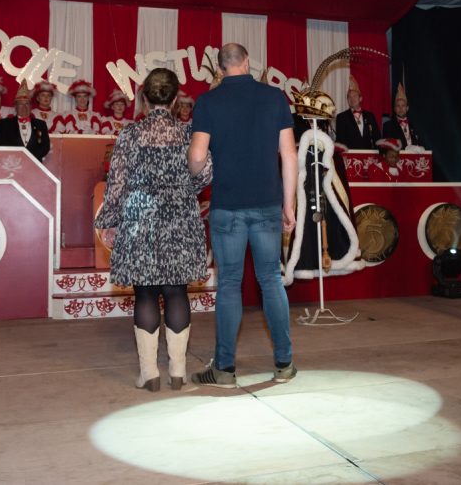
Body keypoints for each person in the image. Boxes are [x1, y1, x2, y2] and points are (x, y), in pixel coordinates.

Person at [94, 68, 212, 391]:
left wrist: (108, 222)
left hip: (140, 217)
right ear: (174, 100)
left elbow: (116, 184)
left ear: (144, 98)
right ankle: (178, 371)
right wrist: (181, 187)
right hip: (179, 217)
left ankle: (149, 373)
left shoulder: (130, 134)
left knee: (145, 292)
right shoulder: (189, 134)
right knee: (177, 291)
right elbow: (204, 175)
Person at [188, 42, 298, 387]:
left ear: (220, 68)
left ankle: (224, 369)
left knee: (229, 285)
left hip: (227, 206)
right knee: (271, 280)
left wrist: (195, 172)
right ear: (247, 62)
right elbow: (289, 155)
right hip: (267, 203)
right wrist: (289, 204)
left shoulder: (208, 102)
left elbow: (197, 157)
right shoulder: (275, 98)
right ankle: (284, 364)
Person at [283, 109, 360, 285]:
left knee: (332, 217)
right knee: (304, 226)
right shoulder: (295, 120)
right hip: (305, 177)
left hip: (323, 176)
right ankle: (304, 262)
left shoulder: (323, 120)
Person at [0, 80, 51, 162]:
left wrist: (30, 158)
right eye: (21, 104)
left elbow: (45, 147)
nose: (24, 107)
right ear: (15, 107)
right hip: (13, 164)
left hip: (35, 164)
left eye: (27, 104)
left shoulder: (41, 124)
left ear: (31, 106)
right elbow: (2, 144)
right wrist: (18, 159)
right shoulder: (5, 124)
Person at [334, 75, 380, 150]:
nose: (352, 99)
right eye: (349, 97)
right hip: (350, 154)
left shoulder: (370, 116)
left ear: (360, 98)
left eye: (354, 96)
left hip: (369, 154)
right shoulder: (341, 117)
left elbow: (377, 137)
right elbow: (340, 141)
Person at [381, 83, 423, 150]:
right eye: (398, 106)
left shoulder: (414, 125)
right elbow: (389, 148)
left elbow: (421, 143)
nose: (401, 108)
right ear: (394, 109)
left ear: (407, 108)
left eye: (403, 106)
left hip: (414, 156)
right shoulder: (388, 126)